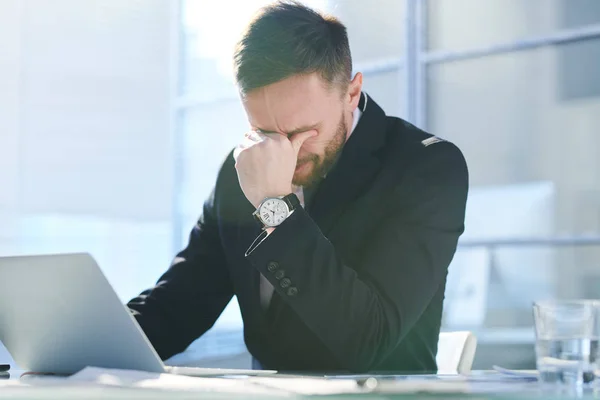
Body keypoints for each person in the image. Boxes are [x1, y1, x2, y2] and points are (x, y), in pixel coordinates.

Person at [128, 0, 468, 373]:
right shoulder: (244, 166)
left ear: (351, 93)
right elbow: (180, 304)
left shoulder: (426, 168)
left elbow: (367, 339)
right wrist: (73, 348)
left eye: (302, 132)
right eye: (265, 131)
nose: (283, 149)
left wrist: (274, 204)